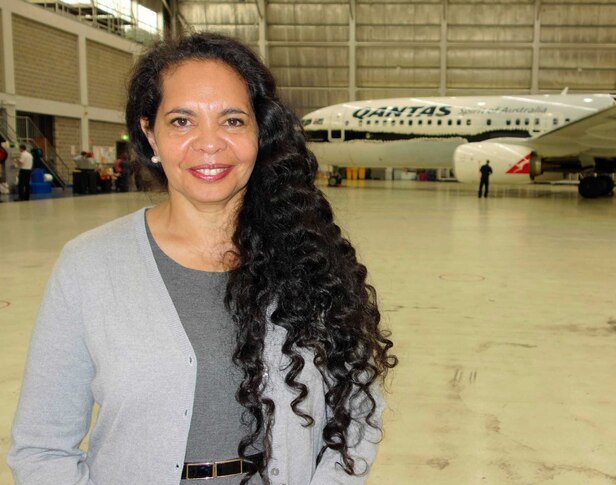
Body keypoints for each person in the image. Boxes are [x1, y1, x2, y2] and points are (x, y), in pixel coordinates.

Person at [8, 33, 396, 485]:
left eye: (232, 120)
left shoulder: (308, 256)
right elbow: (42, 447)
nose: (209, 143)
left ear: (259, 132)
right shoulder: (89, 266)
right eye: (181, 121)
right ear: (150, 133)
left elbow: (359, 408)